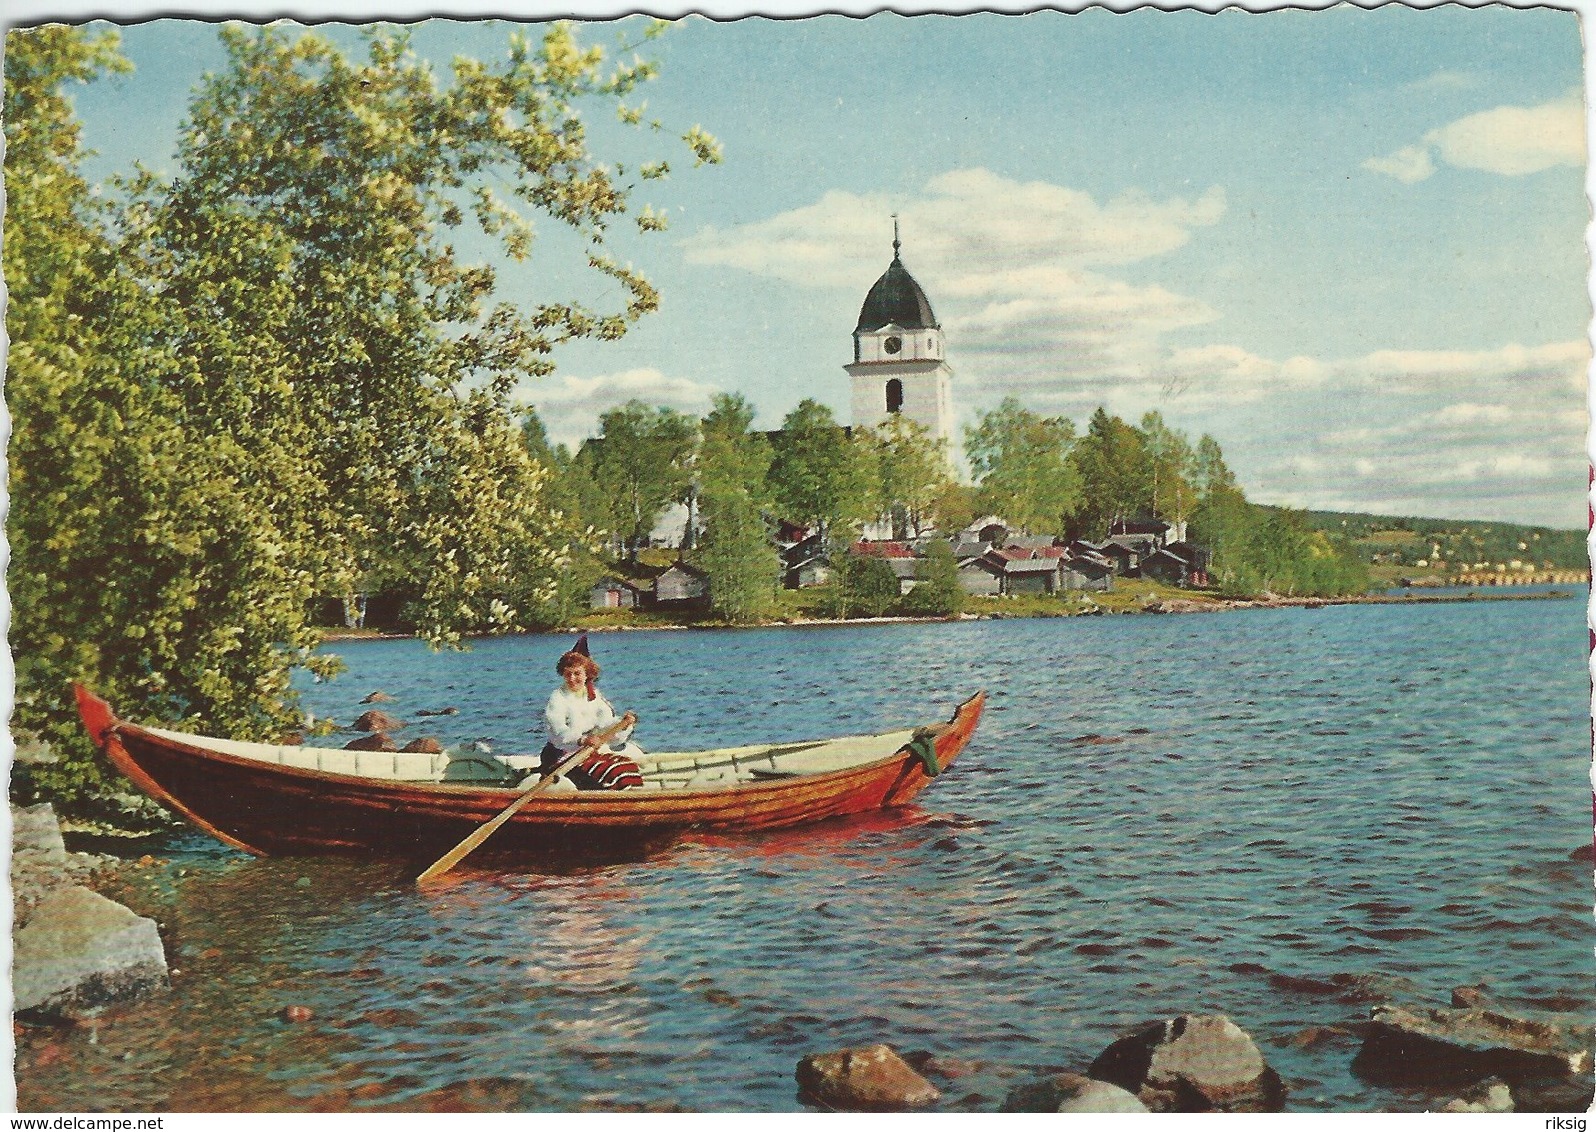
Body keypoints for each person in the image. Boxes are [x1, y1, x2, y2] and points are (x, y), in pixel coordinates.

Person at [539, 649, 644, 790]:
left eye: (577, 673)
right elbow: (558, 731)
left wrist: (623, 724)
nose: (572, 679)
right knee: (613, 771)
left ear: (587, 674)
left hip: (589, 753)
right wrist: (582, 740)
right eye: (568, 674)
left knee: (626, 765)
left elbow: (605, 725)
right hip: (562, 756)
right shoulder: (557, 698)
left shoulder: (594, 696)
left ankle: (625, 802)